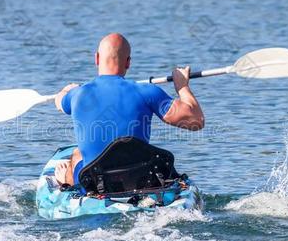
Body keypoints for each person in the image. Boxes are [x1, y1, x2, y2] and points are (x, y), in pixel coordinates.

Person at [54, 33, 204, 185]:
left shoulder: (77, 94)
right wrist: (182, 86)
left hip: (96, 183)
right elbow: (196, 121)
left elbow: (59, 102)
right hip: (138, 179)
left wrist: (67, 90)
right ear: (128, 62)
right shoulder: (148, 91)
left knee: (77, 155)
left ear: (97, 59)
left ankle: (65, 179)